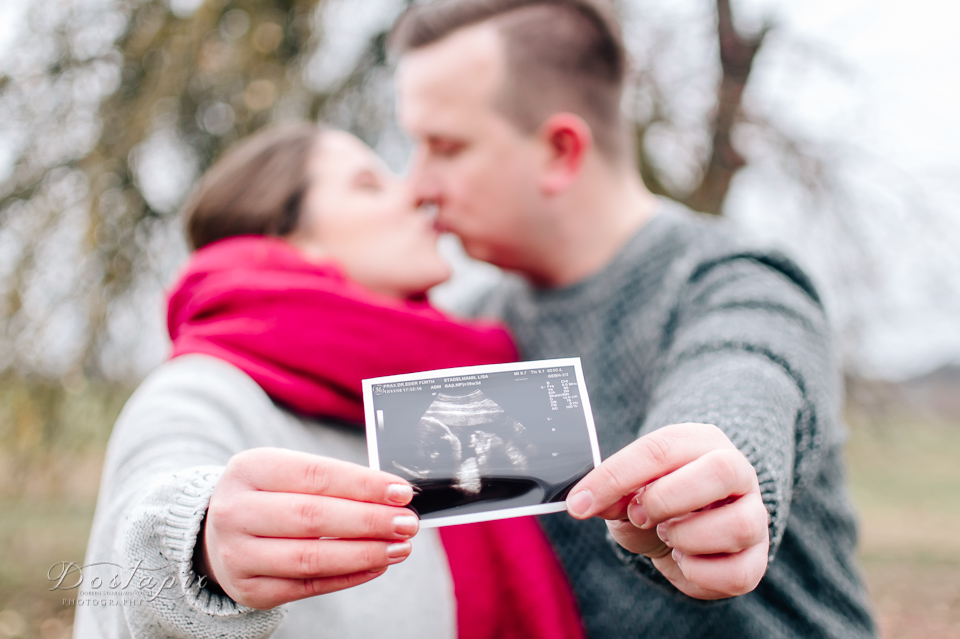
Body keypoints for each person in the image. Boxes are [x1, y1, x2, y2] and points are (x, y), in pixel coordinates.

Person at [388, 0, 878, 637]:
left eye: (444, 146)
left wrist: (716, 473)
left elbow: (749, 369)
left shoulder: (735, 278)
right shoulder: (475, 327)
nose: (414, 187)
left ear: (561, 150)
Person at [74, 123, 586, 638]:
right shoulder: (202, 389)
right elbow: (142, 531)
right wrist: (202, 551)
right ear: (284, 234)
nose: (416, 194)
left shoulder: (443, 376)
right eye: (368, 183)